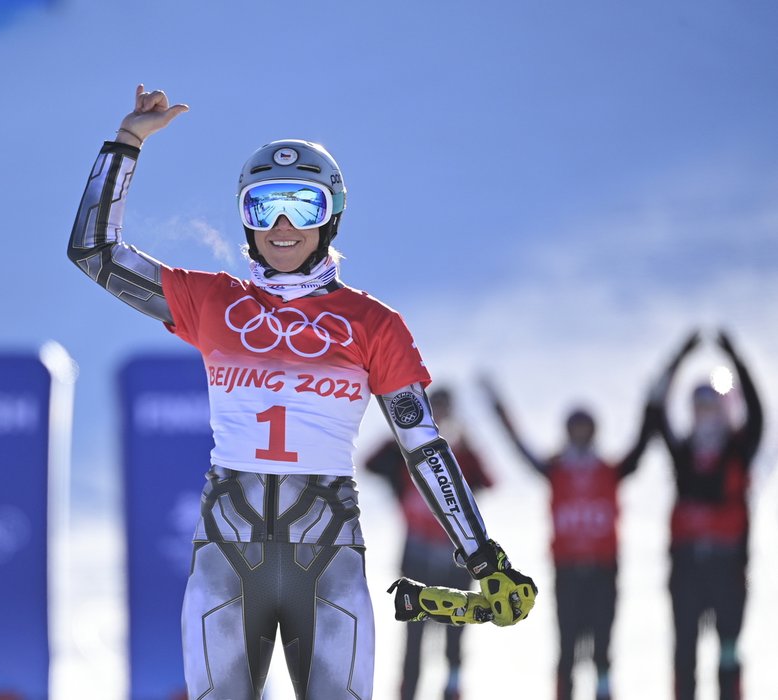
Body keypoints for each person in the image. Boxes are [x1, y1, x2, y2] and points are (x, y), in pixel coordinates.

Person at [66, 85, 537, 699]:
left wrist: (482, 559)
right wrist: (127, 142)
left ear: (331, 214)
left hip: (328, 558)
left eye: (301, 206)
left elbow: (423, 447)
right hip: (224, 559)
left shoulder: (374, 324)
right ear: (245, 217)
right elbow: (95, 253)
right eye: (264, 208)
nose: (283, 227)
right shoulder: (213, 302)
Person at [482, 378, 653, 700]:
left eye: (585, 429)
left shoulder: (610, 471)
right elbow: (520, 447)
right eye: (575, 429)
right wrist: (498, 409)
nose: (580, 435)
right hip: (568, 573)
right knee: (567, 651)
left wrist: (654, 402)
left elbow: (643, 443)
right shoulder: (555, 470)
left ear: (594, 432)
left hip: (604, 572)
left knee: (602, 651)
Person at [649, 330, 762, 700]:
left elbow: (759, 413)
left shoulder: (738, 450)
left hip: (728, 568)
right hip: (687, 568)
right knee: (685, 651)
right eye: (699, 407)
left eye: (712, 406)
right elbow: (656, 409)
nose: (705, 415)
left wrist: (736, 357)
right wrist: (678, 357)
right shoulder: (683, 456)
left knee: (729, 648)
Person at [365, 386, 494, 700]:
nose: (440, 415)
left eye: (444, 408)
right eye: (433, 409)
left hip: (455, 562)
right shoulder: (405, 454)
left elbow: (488, 481)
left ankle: (453, 692)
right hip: (417, 560)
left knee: (454, 642)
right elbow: (370, 463)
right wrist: (402, 433)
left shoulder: (459, 454)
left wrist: (466, 444)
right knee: (414, 641)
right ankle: (407, 694)